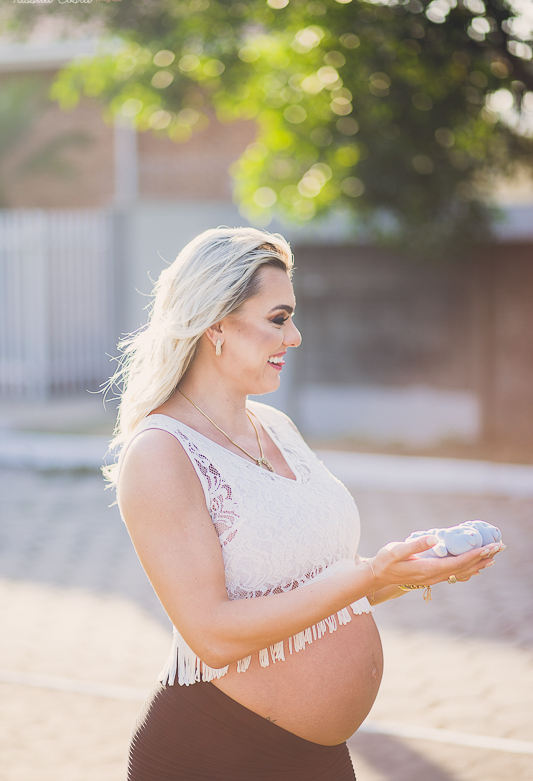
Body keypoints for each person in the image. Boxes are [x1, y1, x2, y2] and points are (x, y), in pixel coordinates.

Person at [105, 226, 503, 781]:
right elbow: (213, 635)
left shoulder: (275, 425)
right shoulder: (161, 453)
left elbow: (320, 588)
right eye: (278, 318)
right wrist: (371, 574)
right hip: (217, 755)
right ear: (215, 324)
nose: (294, 337)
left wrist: (406, 573)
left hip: (318, 759)